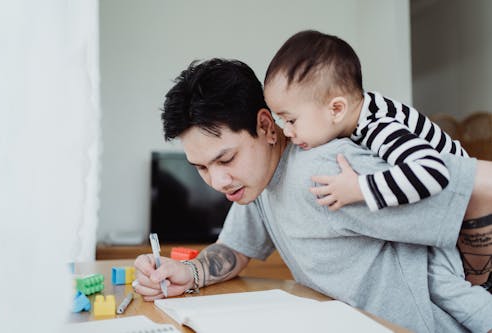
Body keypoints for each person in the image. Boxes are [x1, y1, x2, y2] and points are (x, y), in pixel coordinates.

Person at [134, 58, 492, 332]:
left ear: (264, 125)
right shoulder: (255, 183)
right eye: (201, 168)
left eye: (225, 158)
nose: (217, 181)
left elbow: (481, 186)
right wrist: (188, 272)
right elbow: (236, 249)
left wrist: (474, 277)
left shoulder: (323, 171)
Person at [263, 30, 492, 290]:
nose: (286, 131)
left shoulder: (379, 125)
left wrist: (360, 187)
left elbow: (433, 171)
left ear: (336, 109)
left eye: (291, 120)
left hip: (475, 219)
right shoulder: (360, 115)